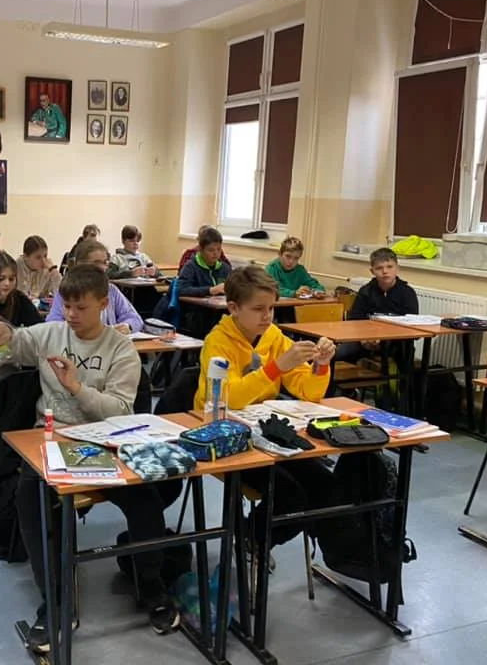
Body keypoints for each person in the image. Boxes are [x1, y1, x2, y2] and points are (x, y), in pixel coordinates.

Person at [0, 266, 181, 652]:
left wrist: (76, 387)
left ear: (103, 304)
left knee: (145, 501)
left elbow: (120, 411)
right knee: (30, 499)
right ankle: (56, 601)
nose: (71, 314)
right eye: (67, 306)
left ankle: (151, 586)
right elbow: (14, 342)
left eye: (81, 307)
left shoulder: (120, 349)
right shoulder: (51, 334)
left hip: (107, 443)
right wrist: (0, 334)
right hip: (52, 441)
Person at [193, 266, 337, 546]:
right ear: (234, 308)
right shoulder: (217, 342)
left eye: (271, 307)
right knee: (290, 495)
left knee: (325, 486)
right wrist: (275, 368)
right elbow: (229, 398)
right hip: (224, 437)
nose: (267, 316)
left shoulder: (274, 337)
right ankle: (252, 542)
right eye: (258, 308)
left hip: (267, 435)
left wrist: (321, 365)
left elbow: (308, 392)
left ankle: (253, 539)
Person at [337, 247, 419, 364]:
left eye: (389, 267)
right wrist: (363, 338)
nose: (385, 271)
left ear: (397, 268)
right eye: (379, 268)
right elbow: (354, 320)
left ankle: (405, 376)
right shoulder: (365, 291)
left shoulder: (407, 293)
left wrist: (385, 338)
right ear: (372, 271)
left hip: (395, 342)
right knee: (341, 352)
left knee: (406, 353)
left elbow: (413, 324)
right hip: (366, 339)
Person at [46, 240, 143, 334]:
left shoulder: (111, 290)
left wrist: (128, 326)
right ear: (79, 264)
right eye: (96, 262)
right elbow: (52, 322)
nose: (102, 267)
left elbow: (135, 318)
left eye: (104, 262)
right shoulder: (66, 291)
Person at [178, 226, 231, 298]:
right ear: (200, 250)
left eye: (219, 249)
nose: (216, 253)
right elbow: (182, 290)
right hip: (195, 305)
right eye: (211, 250)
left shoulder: (225, 268)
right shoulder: (191, 266)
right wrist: (210, 290)